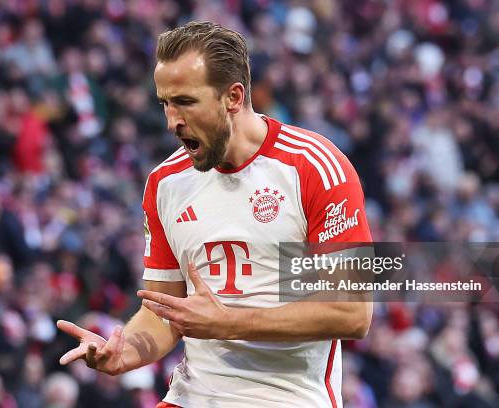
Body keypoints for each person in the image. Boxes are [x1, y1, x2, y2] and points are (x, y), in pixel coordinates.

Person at [57, 21, 373, 408]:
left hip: (286, 399)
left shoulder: (313, 167)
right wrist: (122, 354)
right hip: (192, 397)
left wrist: (227, 322)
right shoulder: (166, 182)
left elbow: (352, 311)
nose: (172, 121)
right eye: (165, 103)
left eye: (185, 102)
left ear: (233, 97)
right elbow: (164, 313)